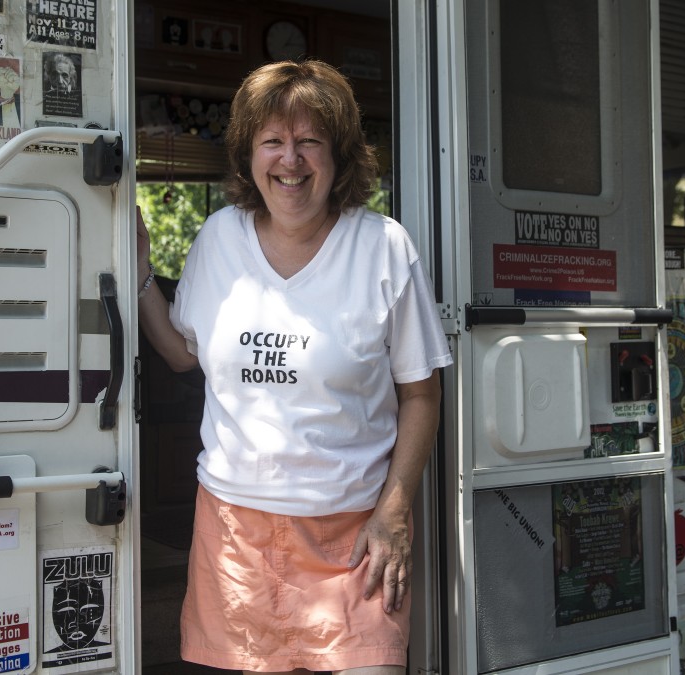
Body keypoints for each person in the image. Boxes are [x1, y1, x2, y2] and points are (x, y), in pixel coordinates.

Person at [136, 59, 453, 674]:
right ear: (249, 156)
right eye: (273, 142)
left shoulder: (382, 246)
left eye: (310, 141)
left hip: (355, 535)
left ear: (339, 158)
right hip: (236, 536)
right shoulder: (218, 239)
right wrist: (142, 270)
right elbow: (182, 353)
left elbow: (422, 394)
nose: (291, 159)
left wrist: (394, 509)